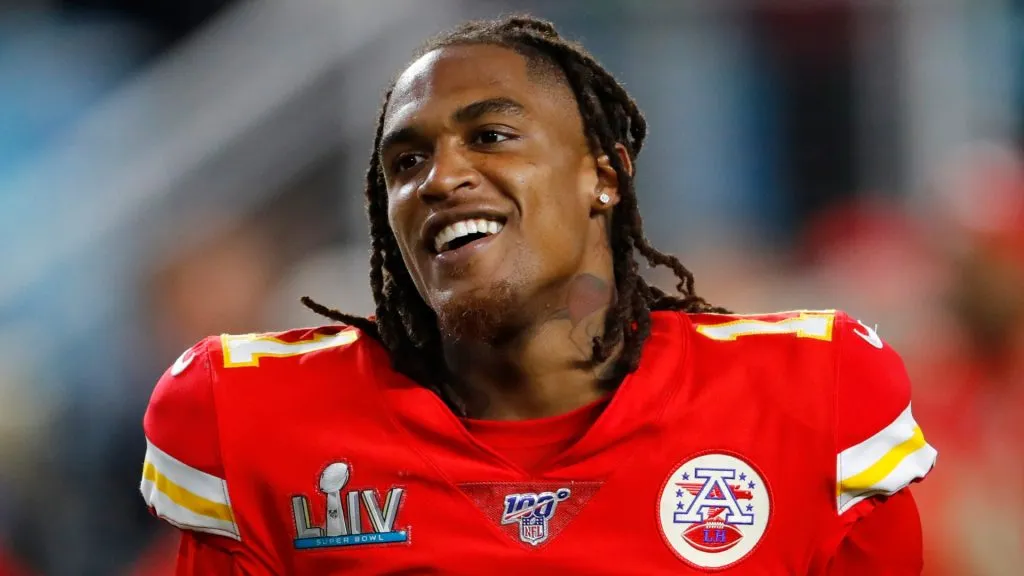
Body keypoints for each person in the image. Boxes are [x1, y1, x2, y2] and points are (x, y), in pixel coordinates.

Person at [139, 16, 936, 574]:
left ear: (605, 175)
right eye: (406, 162)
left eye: (490, 136)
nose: (440, 178)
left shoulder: (811, 395)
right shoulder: (250, 420)